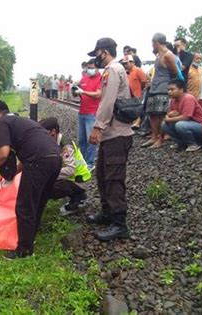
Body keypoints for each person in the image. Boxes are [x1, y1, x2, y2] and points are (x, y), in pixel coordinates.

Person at [0, 100, 61, 259]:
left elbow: (3, 153)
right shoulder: (23, 121)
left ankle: (24, 250)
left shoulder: (2, 123)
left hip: (38, 162)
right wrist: (12, 176)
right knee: (38, 201)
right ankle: (31, 237)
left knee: (24, 206)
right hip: (55, 158)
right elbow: (28, 156)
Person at [87, 37, 133, 241]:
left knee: (114, 179)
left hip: (116, 134)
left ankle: (119, 224)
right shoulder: (114, 70)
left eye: (96, 54)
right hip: (111, 134)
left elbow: (108, 101)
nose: (95, 59)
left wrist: (97, 126)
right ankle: (107, 214)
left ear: (104, 52)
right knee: (103, 175)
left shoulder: (112, 70)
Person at [38, 117, 91, 216]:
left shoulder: (66, 147)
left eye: (44, 134)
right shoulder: (56, 142)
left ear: (53, 132)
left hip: (79, 181)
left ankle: (78, 198)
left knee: (47, 188)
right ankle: (77, 195)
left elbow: (70, 169)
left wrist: (49, 175)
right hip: (74, 179)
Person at [142, 33, 179, 149]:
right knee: (152, 113)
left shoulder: (168, 55)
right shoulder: (159, 55)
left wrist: (172, 88)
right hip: (154, 87)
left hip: (163, 87)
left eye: (152, 43)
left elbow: (176, 72)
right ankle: (154, 136)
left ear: (156, 42)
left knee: (161, 114)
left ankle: (160, 139)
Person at [161, 79, 202, 151]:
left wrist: (169, 118)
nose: (169, 92)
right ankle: (181, 143)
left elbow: (186, 117)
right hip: (188, 124)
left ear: (181, 89)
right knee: (164, 125)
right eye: (168, 90)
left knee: (180, 124)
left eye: (172, 89)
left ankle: (193, 144)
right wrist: (169, 116)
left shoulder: (188, 98)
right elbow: (169, 114)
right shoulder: (173, 100)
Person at [76, 59, 102, 169]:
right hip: (82, 112)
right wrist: (76, 91)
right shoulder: (84, 78)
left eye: (92, 68)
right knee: (82, 140)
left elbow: (98, 94)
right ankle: (83, 162)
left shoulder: (100, 79)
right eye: (88, 68)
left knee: (91, 140)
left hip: (92, 113)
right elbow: (80, 94)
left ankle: (90, 163)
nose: (89, 70)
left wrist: (83, 92)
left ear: (97, 68)